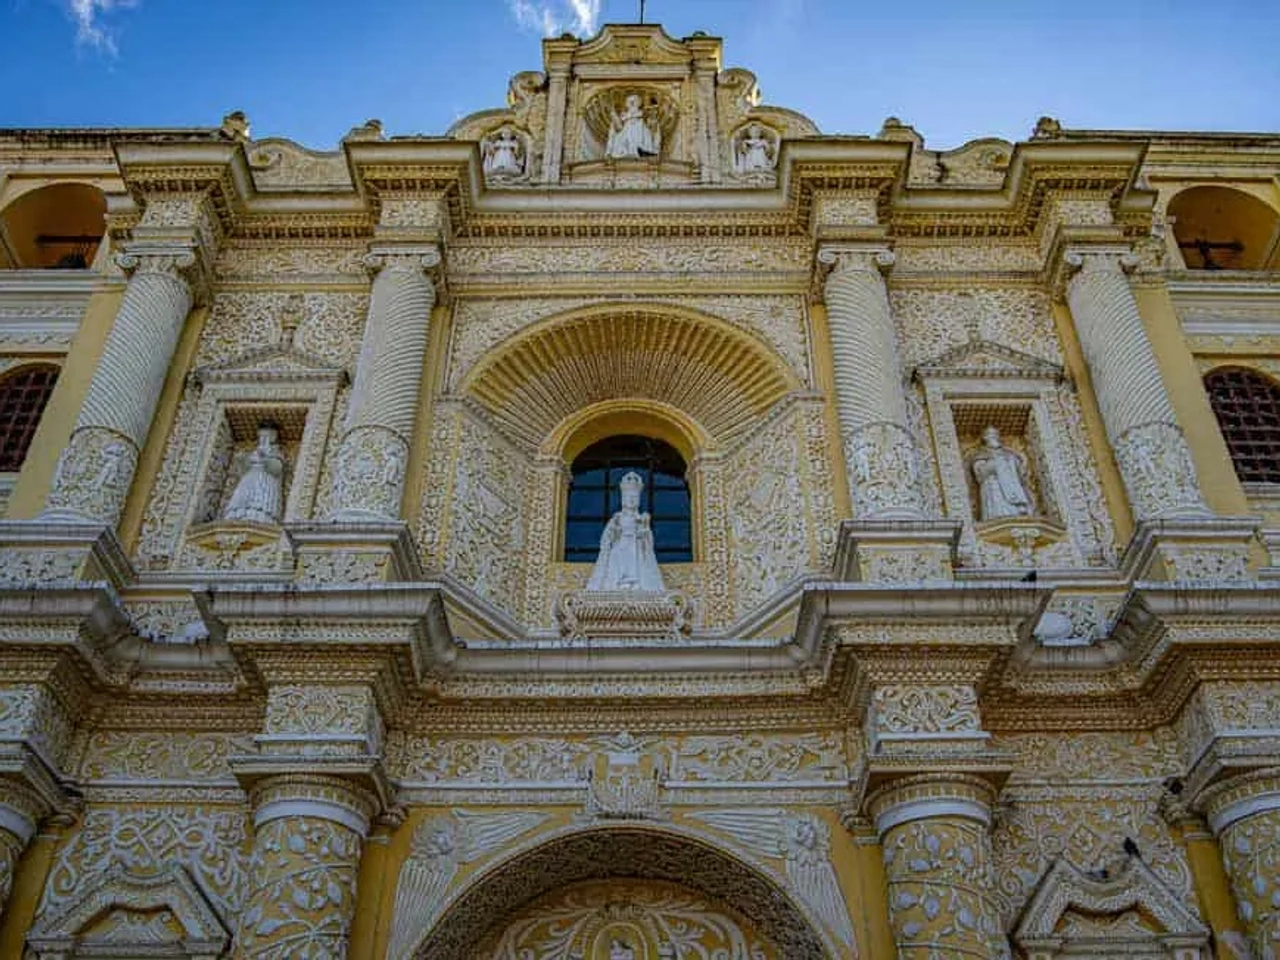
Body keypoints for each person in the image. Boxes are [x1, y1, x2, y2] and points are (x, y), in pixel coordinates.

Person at [586, 472, 666, 592]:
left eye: (635, 497)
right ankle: (621, 582)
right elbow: (606, 539)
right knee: (621, 563)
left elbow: (648, 544)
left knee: (635, 563)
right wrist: (614, 531)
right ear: (623, 499)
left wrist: (644, 530)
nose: (632, 500)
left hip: (636, 548)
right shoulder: (617, 517)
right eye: (629, 497)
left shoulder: (641, 518)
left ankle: (635, 582)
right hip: (620, 547)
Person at [223, 424, 285, 524]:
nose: (263, 439)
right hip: (250, 479)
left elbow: (277, 469)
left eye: (266, 436)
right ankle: (239, 515)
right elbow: (244, 470)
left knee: (261, 500)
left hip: (265, 480)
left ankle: (259, 516)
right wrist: (242, 460)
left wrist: (265, 459)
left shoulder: (275, 452)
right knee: (243, 497)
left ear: (273, 437)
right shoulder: (254, 452)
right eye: (261, 436)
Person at [969, 425, 1033, 520]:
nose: (994, 437)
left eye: (995, 434)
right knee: (998, 509)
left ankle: (1019, 508)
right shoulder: (981, 455)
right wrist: (995, 463)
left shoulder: (1009, 453)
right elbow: (980, 474)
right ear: (985, 438)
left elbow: (1020, 470)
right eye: (990, 435)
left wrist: (1010, 461)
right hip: (994, 487)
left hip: (1013, 485)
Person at [606, 94, 659, 159]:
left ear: (639, 103)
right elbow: (615, 130)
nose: (632, 102)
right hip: (625, 135)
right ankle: (624, 151)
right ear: (626, 104)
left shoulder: (644, 114)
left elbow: (653, 128)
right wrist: (615, 117)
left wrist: (652, 117)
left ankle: (641, 151)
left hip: (641, 132)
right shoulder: (622, 116)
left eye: (635, 100)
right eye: (630, 101)